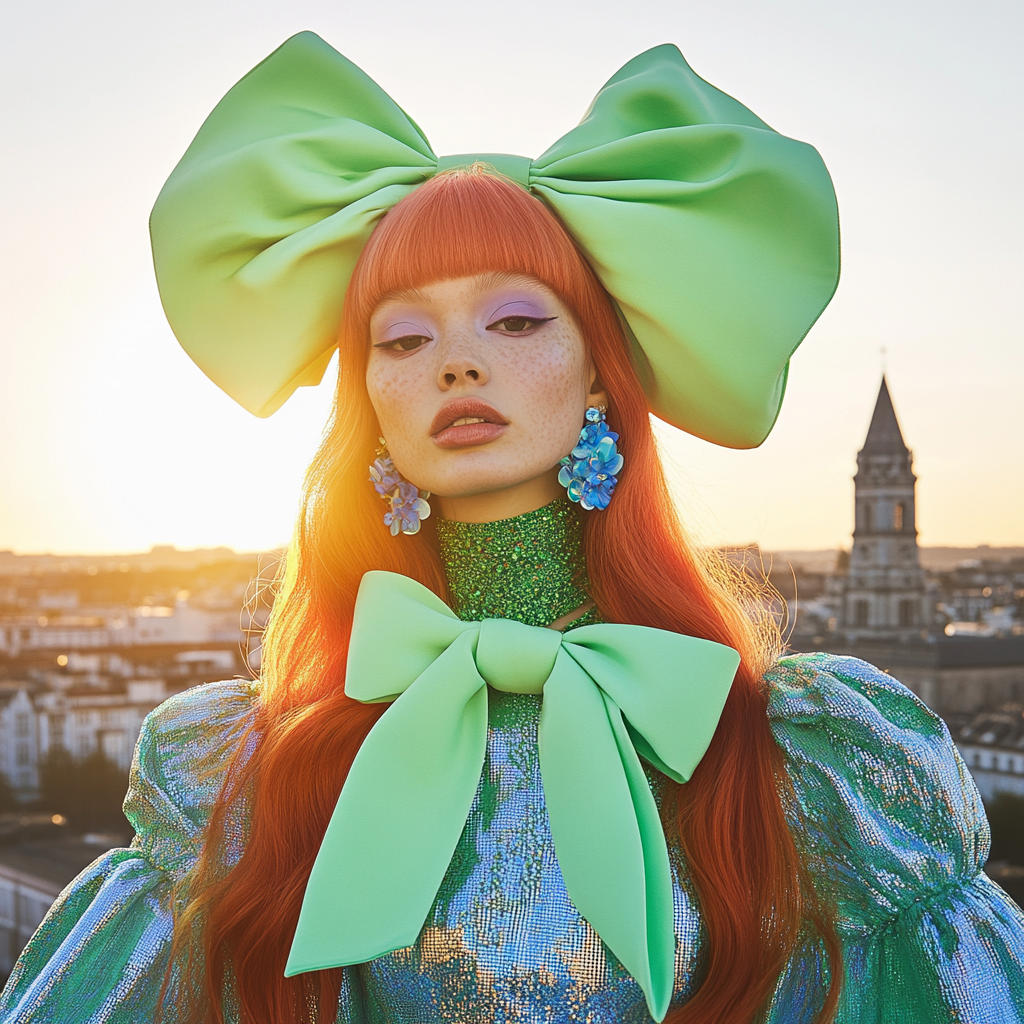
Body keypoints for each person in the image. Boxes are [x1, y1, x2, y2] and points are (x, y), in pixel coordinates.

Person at [2, 31, 1022, 1024]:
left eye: (517, 320)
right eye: (402, 335)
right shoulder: (243, 782)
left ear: (596, 370)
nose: (456, 360)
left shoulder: (807, 767)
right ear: (367, 399)